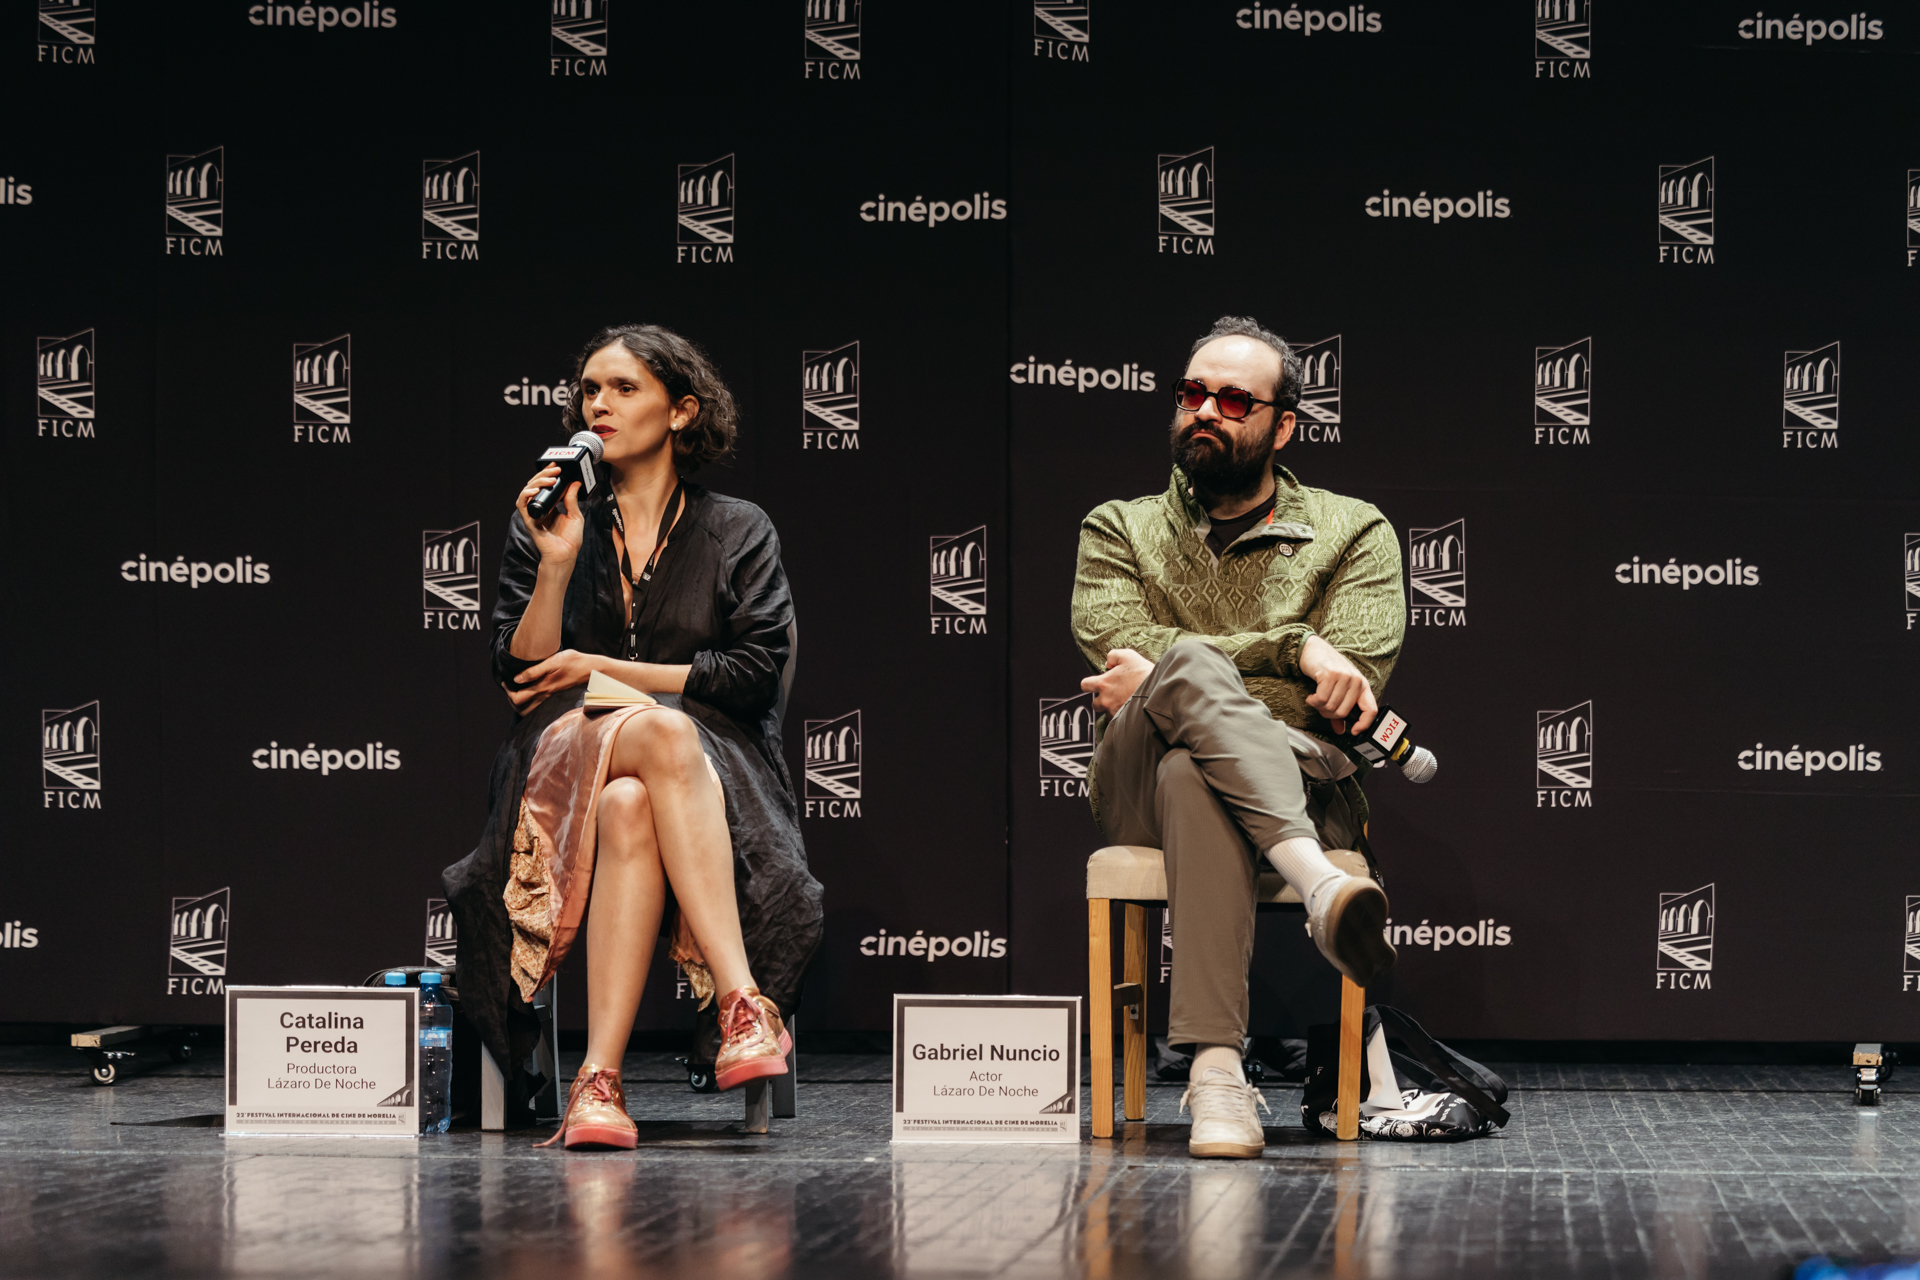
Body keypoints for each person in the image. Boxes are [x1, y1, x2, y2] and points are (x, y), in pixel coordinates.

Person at [442, 323, 824, 1150]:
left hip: (711, 754)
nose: (599, 405)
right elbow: (522, 677)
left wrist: (609, 667)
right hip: (561, 748)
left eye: (623, 389)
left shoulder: (737, 528)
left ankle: (597, 1083)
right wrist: (554, 560)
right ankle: (743, 1006)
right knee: (661, 741)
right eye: (589, 391)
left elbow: (754, 671)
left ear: (681, 410)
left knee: (631, 799)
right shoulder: (551, 518)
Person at [1070, 315, 1405, 1159]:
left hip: (1304, 780)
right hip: (1134, 782)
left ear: (1283, 425)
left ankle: (1216, 1075)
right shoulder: (1118, 526)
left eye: (1231, 399)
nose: (1204, 412)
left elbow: (1353, 679)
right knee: (1179, 686)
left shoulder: (1353, 530)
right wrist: (1290, 647)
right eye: (1191, 394)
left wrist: (1169, 673)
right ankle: (1320, 889)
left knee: (1196, 767)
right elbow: (1124, 649)